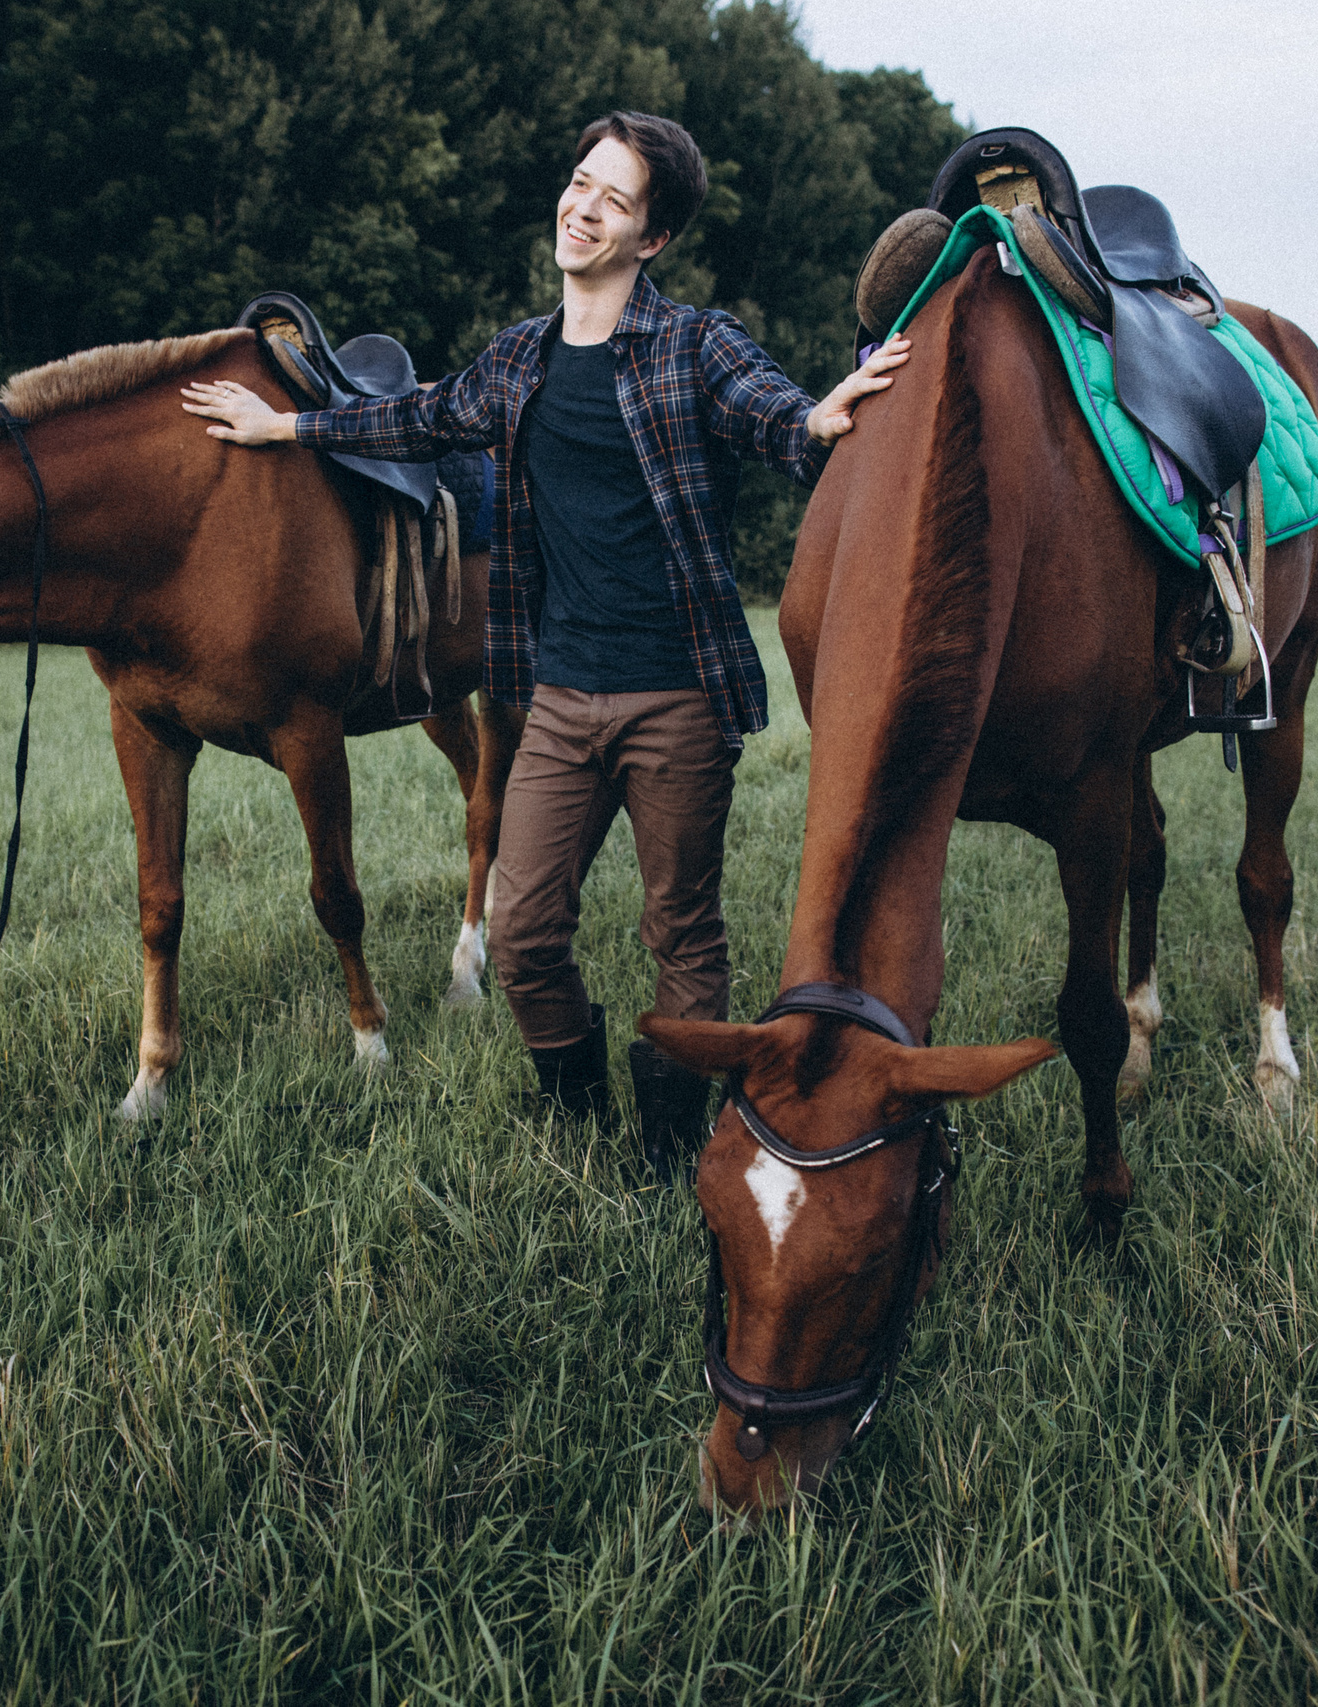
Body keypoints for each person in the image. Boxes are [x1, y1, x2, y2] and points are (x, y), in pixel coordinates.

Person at [183, 110, 908, 1180]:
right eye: (581, 183)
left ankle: (664, 1148)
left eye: (615, 200)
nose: (584, 209)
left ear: (650, 239)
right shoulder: (518, 358)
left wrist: (814, 422)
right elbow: (418, 419)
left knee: (682, 933)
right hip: (557, 699)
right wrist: (283, 427)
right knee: (520, 935)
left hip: (677, 701)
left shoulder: (693, 344)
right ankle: (574, 1111)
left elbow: (769, 414)